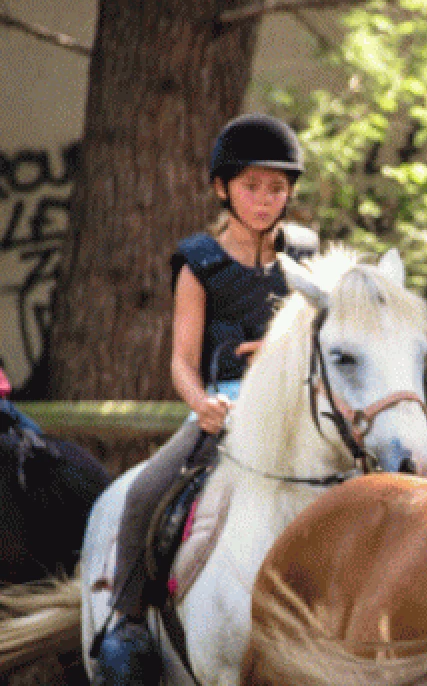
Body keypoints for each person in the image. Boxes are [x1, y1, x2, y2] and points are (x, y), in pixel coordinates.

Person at [92, 114, 317, 686]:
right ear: (222, 188)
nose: (266, 200)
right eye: (252, 187)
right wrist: (202, 405)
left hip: (296, 415)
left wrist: (281, 349)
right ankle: (128, 618)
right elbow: (181, 362)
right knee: (146, 489)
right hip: (225, 408)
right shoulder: (200, 263)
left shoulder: (305, 258)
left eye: (277, 188)